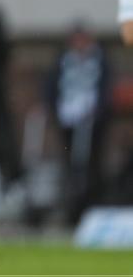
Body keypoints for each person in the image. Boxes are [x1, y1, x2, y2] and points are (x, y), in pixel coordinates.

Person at [45, 23, 111, 226]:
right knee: (70, 164)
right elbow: (51, 87)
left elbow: (105, 89)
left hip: (92, 122)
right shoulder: (64, 61)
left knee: (90, 165)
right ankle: (71, 207)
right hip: (68, 120)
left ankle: (90, 204)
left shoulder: (99, 61)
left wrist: (97, 111)